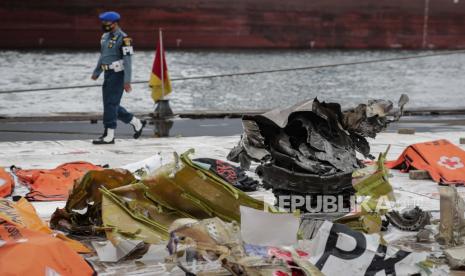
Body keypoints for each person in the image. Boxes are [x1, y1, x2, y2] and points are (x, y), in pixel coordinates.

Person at [91, 11, 146, 145]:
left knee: (110, 104)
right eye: (103, 22)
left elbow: (127, 61)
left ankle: (109, 136)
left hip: (118, 75)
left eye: (106, 22)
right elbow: (103, 56)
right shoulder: (105, 37)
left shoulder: (124, 39)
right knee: (110, 104)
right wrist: (97, 72)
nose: (104, 25)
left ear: (114, 23)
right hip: (107, 74)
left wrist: (127, 81)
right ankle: (136, 122)